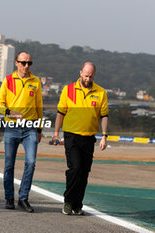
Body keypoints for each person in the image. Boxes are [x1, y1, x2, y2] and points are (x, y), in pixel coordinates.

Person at [52, 62, 109, 215]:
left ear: (94, 76)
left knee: (84, 172)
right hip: (71, 136)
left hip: (89, 138)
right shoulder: (68, 89)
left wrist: (104, 136)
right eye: (85, 75)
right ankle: (68, 202)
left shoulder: (101, 92)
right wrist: (56, 133)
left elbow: (104, 116)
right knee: (75, 168)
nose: (87, 78)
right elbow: (60, 113)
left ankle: (78, 204)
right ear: (80, 73)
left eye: (90, 76)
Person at [0, 51, 43, 213]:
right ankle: (9, 197)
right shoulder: (8, 80)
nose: (26, 66)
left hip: (30, 128)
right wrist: (10, 113)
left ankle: (23, 198)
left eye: (29, 63)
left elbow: (39, 107)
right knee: (9, 165)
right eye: (23, 63)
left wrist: (39, 129)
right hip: (12, 127)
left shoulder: (35, 81)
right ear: (16, 63)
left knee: (31, 162)